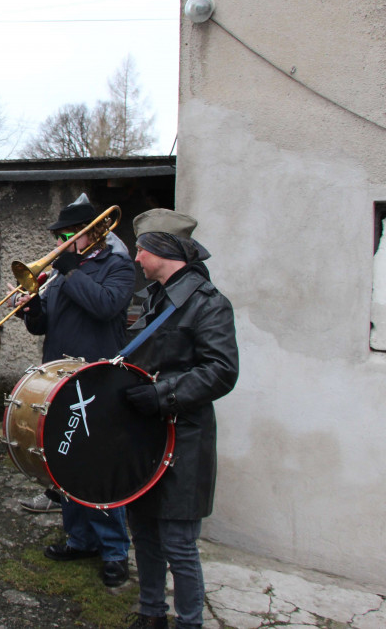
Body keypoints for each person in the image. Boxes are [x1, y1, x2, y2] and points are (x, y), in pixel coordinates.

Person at [121, 209, 239, 629]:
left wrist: (160, 395)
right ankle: (152, 613)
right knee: (145, 536)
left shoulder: (208, 303)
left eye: (141, 249)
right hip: (147, 438)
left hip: (185, 440)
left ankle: (189, 622)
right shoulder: (154, 297)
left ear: (163, 250)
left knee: (179, 545)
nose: (135, 258)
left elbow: (222, 371)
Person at [15, 193, 136, 587]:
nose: (60, 243)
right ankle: (79, 538)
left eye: (68, 235)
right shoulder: (62, 272)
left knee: (98, 463)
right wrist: (32, 309)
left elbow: (105, 306)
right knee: (63, 459)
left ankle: (115, 550)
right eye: (59, 236)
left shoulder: (117, 267)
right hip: (59, 375)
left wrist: (70, 272)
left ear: (93, 234)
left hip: (97, 375)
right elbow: (43, 325)